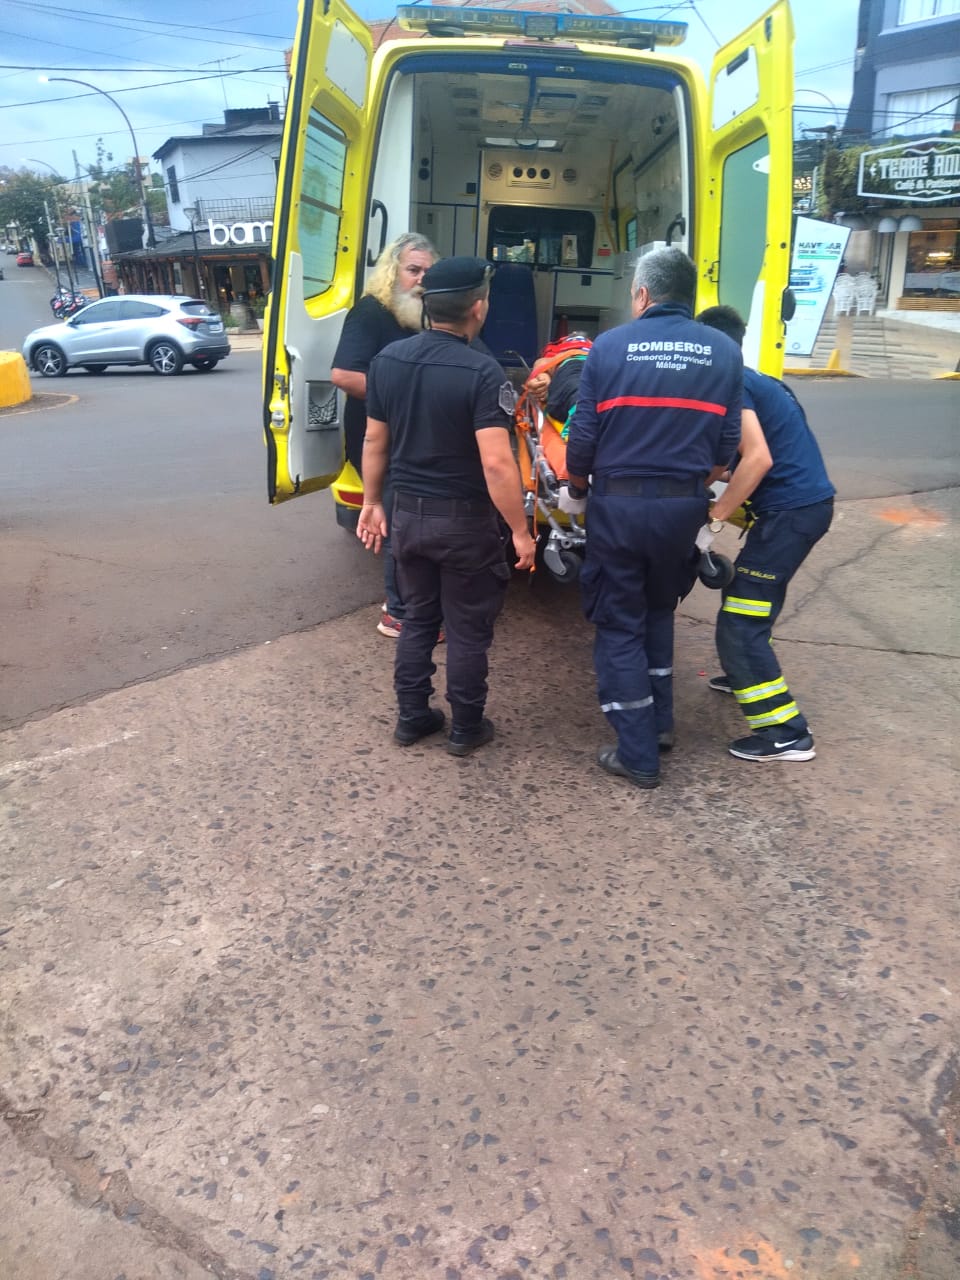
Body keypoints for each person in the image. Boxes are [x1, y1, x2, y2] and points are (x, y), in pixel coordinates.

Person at [564, 247, 742, 789]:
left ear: (641, 294)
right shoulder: (723, 351)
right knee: (660, 609)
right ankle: (660, 725)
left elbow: (584, 438)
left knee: (618, 621)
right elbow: (726, 448)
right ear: (690, 296)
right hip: (684, 504)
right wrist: (691, 486)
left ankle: (638, 753)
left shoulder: (610, 346)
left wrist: (576, 490)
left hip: (618, 506)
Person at [356, 257, 537, 755]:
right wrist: (520, 532)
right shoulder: (484, 371)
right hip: (464, 524)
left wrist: (373, 502)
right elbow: (498, 465)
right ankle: (465, 728)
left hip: (408, 517)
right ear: (478, 307)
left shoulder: (388, 360)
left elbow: (375, 440)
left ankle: (413, 718)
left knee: (417, 618)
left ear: (427, 305)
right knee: (466, 629)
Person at [696, 305, 835, 762]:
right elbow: (726, 460)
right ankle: (745, 676)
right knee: (752, 604)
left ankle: (786, 733)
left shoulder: (733, 386)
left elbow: (757, 461)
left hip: (789, 516)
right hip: (800, 510)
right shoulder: (757, 380)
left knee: (739, 622)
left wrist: (715, 516)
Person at [331, 232, 438, 637]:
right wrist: (402, 399)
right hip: (377, 436)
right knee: (399, 519)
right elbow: (343, 374)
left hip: (413, 436)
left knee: (406, 517)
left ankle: (409, 598)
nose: (421, 279)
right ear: (394, 272)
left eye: (428, 271)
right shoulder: (371, 311)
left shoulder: (424, 314)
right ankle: (397, 612)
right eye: (413, 270)